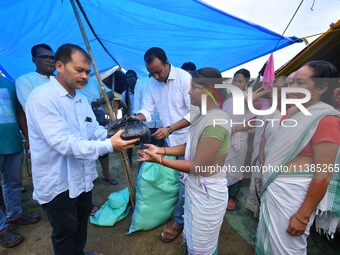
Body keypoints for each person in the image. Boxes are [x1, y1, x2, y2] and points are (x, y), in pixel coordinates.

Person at [25, 44, 138, 255]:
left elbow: (94, 130)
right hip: (58, 182)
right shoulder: (42, 98)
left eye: (87, 71)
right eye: (79, 70)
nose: (85, 76)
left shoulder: (81, 99)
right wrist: (109, 144)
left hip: (82, 178)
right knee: (65, 232)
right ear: (59, 66)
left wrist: (112, 134)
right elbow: (64, 144)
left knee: (80, 223)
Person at [138, 67, 231, 255]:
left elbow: (197, 166)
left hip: (207, 194)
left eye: (194, 87)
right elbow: (189, 147)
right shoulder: (202, 115)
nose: (189, 92)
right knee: (194, 237)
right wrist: (162, 150)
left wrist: (159, 160)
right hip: (197, 189)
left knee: (202, 246)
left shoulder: (216, 122)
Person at [256, 60, 340, 255]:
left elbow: (323, 175)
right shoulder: (290, 113)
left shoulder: (326, 120)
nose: (292, 88)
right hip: (275, 188)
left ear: (322, 87)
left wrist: (302, 217)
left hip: (294, 197)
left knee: (287, 248)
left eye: (300, 84)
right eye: (292, 83)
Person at [134, 47, 191, 242]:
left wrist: (170, 128)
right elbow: (147, 111)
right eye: (152, 73)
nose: (156, 77)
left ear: (167, 63)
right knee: (175, 177)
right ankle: (177, 209)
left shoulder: (184, 78)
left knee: (185, 180)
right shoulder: (152, 83)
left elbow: (195, 113)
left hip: (189, 139)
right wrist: (136, 117)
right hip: (170, 138)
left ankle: (179, 221)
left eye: (159, 71)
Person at [0, 76, 41, 248]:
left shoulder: (8, 83)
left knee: (13, 182)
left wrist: (27, 137)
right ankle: (2, 229)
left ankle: (15, 214)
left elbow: (19, 112)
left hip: (12, 141)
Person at [79, 78, 119, 186]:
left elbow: (110, 93)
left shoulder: (95, 81)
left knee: (103, 145)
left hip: (97, 117)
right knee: (83, 147)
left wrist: (100, 101)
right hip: (80, 119)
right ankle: (87, 177)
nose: (84, 75)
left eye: (87, 71)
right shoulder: (72, 83)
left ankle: (106, 174)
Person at [16, 43, 55, 111]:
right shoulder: (25, 80)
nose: (51, 61)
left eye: (53, 58)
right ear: (33, 60)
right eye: (45, 57)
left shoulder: (63, 80)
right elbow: (31, 109)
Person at [121, 70, 137, 167]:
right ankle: (130, 160)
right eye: (128, 77)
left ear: (136, 78)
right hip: (131, 120)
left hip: (143, 119)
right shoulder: (124, 94)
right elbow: (124, 109)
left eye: (132, 76)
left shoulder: (143, 90)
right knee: (129, 141)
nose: (130, 79)